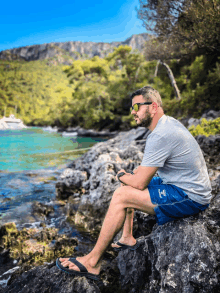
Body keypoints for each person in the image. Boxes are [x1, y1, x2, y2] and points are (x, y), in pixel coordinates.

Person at [56, 86, 212, 280]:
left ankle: (92, 262)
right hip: (179, 184)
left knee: (123, 194)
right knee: (128, 184)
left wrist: (122, 175)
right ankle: (127, 237)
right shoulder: (166, 125)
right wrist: (131, 177)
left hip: (190, 197)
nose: (133, 112)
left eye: (137, 107)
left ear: (153, 107)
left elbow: (138, 183)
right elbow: (148, 170)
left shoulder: (161, 134)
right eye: (132, 108)